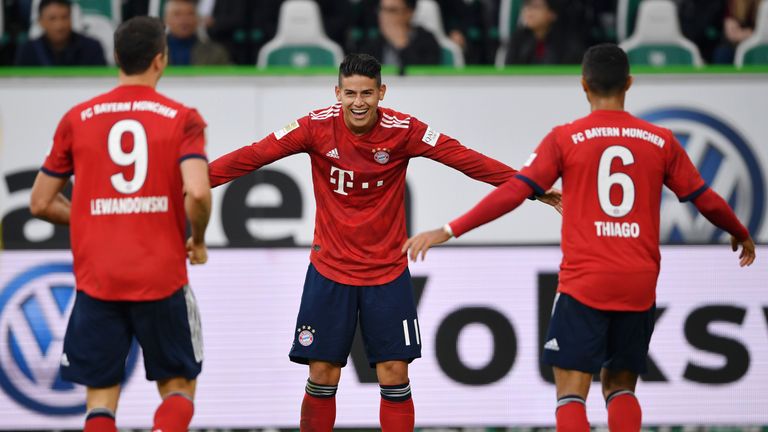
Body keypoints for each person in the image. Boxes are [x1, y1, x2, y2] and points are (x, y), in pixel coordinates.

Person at [403, 43, 756, 431]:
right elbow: (703, 197)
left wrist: (450, 229)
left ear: (584, 86)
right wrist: (739, 232)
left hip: (585, 282)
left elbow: (515, 192)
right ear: (630, 83)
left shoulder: (566, 138)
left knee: (571, 389)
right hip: (638, 283)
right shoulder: (661, 140)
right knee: (622, 386)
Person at [208, 53, 560, 431]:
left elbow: (464, 158)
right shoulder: (314, 127)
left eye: (367, 94)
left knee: (394, 373)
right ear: (337, 92)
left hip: (386, 272)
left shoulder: (404, 130)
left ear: (382, 93)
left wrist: (532, 189)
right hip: (330, 270)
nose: (358, 103)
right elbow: (253, 155)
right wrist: (195, 182)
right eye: (350, 94)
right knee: (323, 372)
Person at [28, 16, 211, 432]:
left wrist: (94, 215)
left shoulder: (78, 117)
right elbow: (198, 192)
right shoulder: (182, 118)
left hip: (99, 278)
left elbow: (39, 202)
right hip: (160, 275)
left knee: (100, 398)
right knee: (179, 386)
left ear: (115, 57)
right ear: (161, 61)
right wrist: (197, 240)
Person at [14, 0, 106, 66]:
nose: (59, 25)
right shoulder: (28, 50)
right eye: (52, 18)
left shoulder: (92, 47)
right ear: (40, 21)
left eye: (64, 17)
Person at [356, 0, 442, 69]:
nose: (384, 15)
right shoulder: (373, 43)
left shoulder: (427, 40)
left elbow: (426, 76)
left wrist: (402, 46)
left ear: (409, 13)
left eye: (391, 10)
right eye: (381, 9)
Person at [503, 0, 584, 65]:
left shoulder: (567, 42)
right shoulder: (518, 38)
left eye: (536, 6)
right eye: (527, 5)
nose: (529, 10)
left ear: (552, 14)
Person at [164, 0, 231, 65]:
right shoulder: (155, 51)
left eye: (190, 14)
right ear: (166, 19)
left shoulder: (216, 53)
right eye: (177, 14)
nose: (184, 19)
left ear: (198, 18)